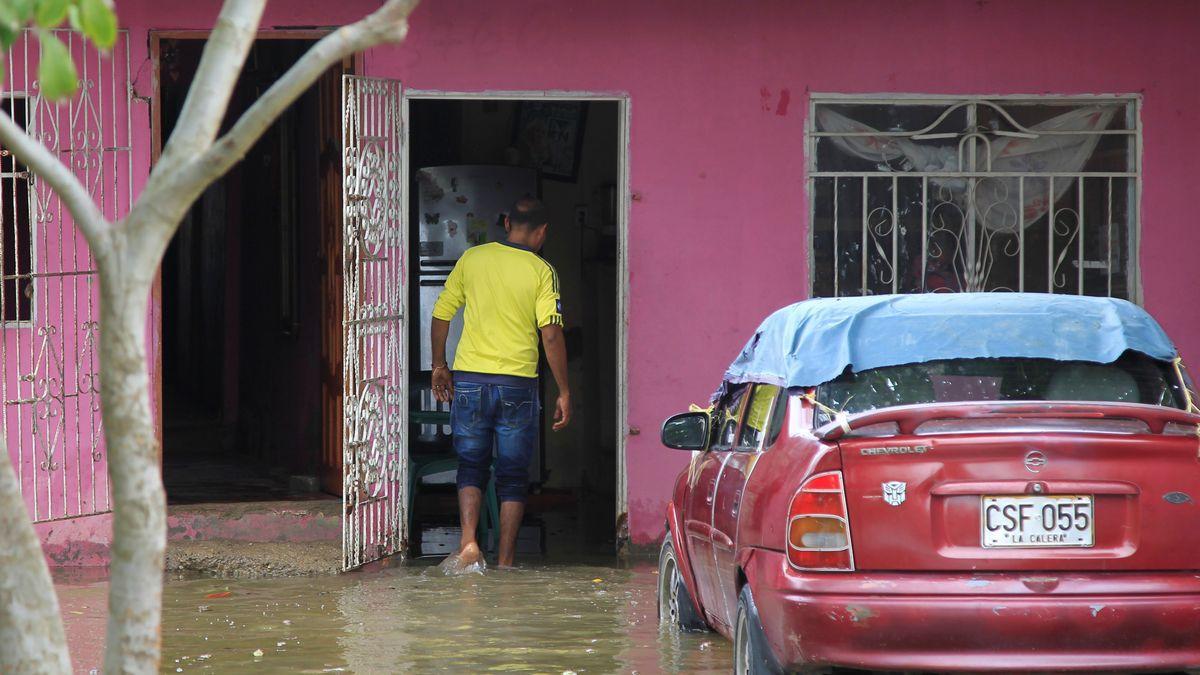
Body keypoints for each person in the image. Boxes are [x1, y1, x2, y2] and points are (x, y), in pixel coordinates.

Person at [430, 197, 571, 571]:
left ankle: (469, 545)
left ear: (507, 222)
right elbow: (551, 335)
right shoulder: (542, 270)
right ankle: (506, 561)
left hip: (471, 381)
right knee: (512, 475)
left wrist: (439, 365)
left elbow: (442, 313)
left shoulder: (472, 259)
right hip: (516, 384)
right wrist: (564, 390)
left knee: (470, 466)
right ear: (542, 231)